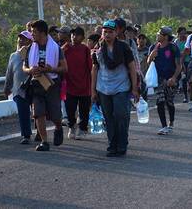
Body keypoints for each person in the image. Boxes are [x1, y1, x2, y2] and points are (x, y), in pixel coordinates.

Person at [91, 20, 139, 157]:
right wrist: (93, 91)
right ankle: (112, 145)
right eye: (105, 32)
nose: (107, 34)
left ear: (116, 33)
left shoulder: (124, 47)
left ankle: (122, 144)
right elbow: (94, 70)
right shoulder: (98, 48)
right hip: (103, 89)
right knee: (108, 118)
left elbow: (132, 67)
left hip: (121, 88)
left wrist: (134, 88)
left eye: (110, 32)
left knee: (121, 116)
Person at [23, 20, 68, 151]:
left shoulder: (56, 48)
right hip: (36, 83)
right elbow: (24, 66)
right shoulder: (31, 48)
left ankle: (58, 128)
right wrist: (29, 70)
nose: (32, 35)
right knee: (38, 113)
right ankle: (44, 141)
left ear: (43, 33)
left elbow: (64, 68)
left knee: (55, 115)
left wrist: (51, 69)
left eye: (34, 32)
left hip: (51, 84)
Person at [147, 27, 181, 135]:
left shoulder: (173, 48)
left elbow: (179, 65)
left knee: (169, 102)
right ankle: (164, 126)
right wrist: (151, 56)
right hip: (159, 79)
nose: (157, 35)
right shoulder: (154, 47)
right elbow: (148, 62)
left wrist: (174, 77)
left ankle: (171, 123)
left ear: (166, 36)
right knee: (160, 101)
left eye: (160, 34)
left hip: (171, 78)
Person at [63, 26, 92, 140]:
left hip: (84, 85)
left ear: (82, 37)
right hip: (70, 85)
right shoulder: (66, 48)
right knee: (70, 109)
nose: (74, 37)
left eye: (77, 35)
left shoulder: (85, 49)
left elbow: (90, 67)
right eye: (73, 35)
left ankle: (82, 129)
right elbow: (57, 58)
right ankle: (72, 127)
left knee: (84, 110)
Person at [4, 31, 33, 144]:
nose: (21, 40)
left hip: (33, 87)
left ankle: (40, 133)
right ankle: (26, 135)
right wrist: (7, 87)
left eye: (24, 39)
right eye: (19, 38)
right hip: (19, 89)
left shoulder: (33, 53)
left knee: (38, 112)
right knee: (23, 112)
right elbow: (9, 73)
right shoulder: (13, 55)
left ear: (30, 41)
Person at [175, 27, 190, 103]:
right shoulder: (176, 42)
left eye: (184, 33)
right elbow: (174, 52)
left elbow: (187, 52)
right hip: (178, 63)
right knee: (177, 78)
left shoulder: (188, 41)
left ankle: (186, 96)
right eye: (181, 33)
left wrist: (181, 55)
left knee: (185, 79)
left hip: (187, 62)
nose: (183, 35)